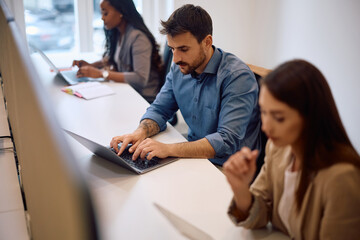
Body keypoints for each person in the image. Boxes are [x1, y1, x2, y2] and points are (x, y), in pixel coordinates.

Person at [110, 4, 262, 166]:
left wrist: (168, 149)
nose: (175, 59)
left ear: (207, 42)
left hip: (230, 168)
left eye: (183, 49)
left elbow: (226, 141)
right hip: (194, 158)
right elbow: (160, 109)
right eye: (172, 49)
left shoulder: (237, 77)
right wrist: (139, 133)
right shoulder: (180, 68)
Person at [224, 59, 360, 239]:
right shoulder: (278, 149)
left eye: (278, 117)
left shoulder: (340, 177)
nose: (266, 127)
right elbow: (262, 212)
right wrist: (240, 188)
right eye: (263, 112)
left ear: (310, 117)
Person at [72, 0, 163, 103]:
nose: (102, 18)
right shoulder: (120, 32)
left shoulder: (138, 38)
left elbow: (140, 78)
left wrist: (101, 73)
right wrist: (92, 66)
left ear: (121, 12)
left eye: (105, 13)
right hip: (129, 92)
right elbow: (115, 57)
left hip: (144, 98)